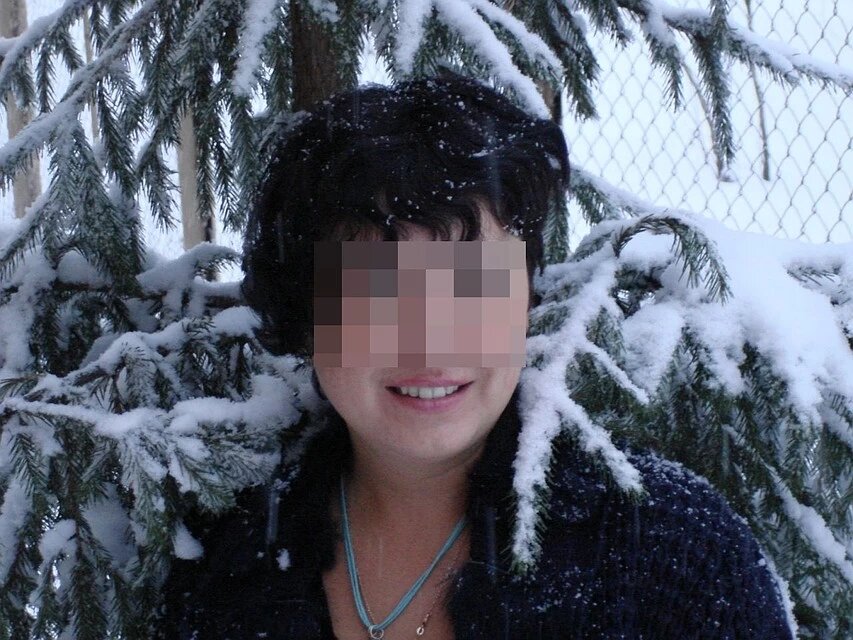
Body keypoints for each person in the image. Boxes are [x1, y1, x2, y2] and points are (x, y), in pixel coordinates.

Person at [157, 75, 794, 639]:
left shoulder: (671, 551)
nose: (430, 341)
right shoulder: (225, 564)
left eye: (472, 286)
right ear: (308, 313)